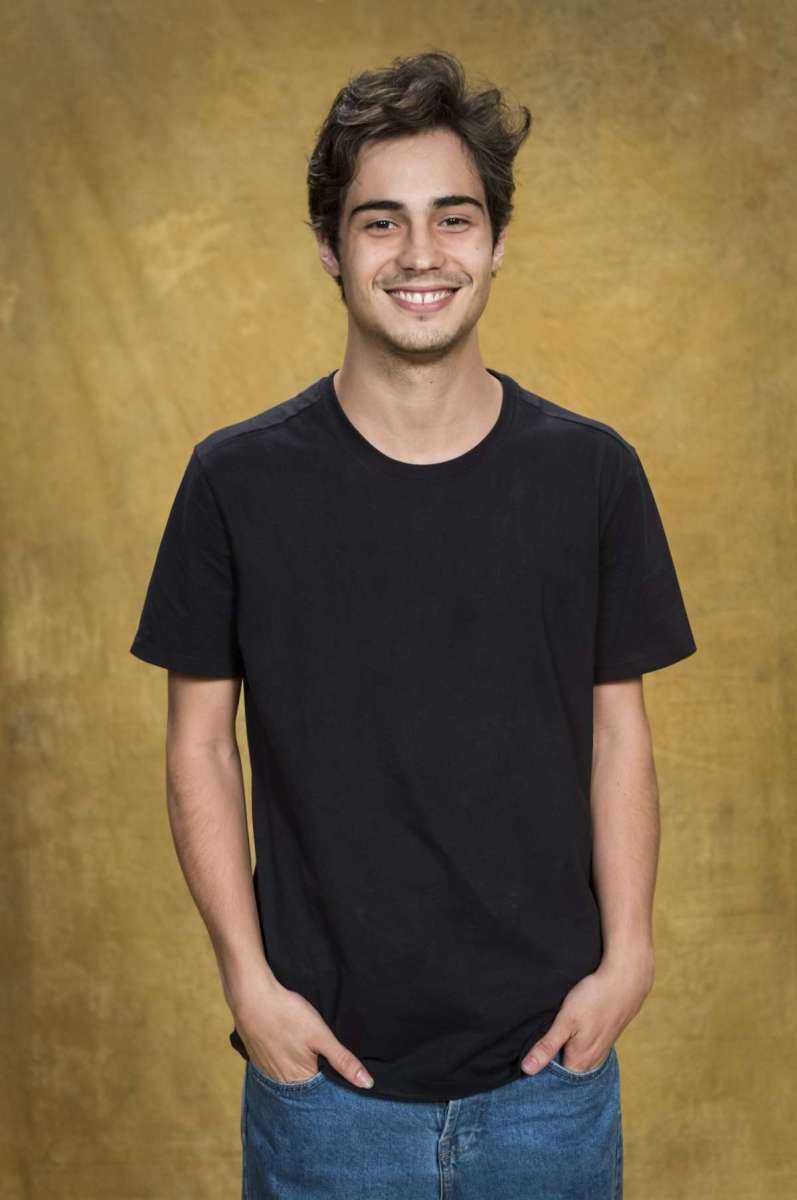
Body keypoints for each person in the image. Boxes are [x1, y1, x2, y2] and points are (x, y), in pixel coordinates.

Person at [130, 48, 697, 1200]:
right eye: (380, 222)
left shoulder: (591, 475)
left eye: (453, 217)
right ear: (329, 249)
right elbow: (198, 748)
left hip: (549, 1083)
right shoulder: (235, 483)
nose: (421, 253)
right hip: (323, 1093)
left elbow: (617, 733)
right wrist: (248, 986)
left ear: (496, 241)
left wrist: (628, 959)